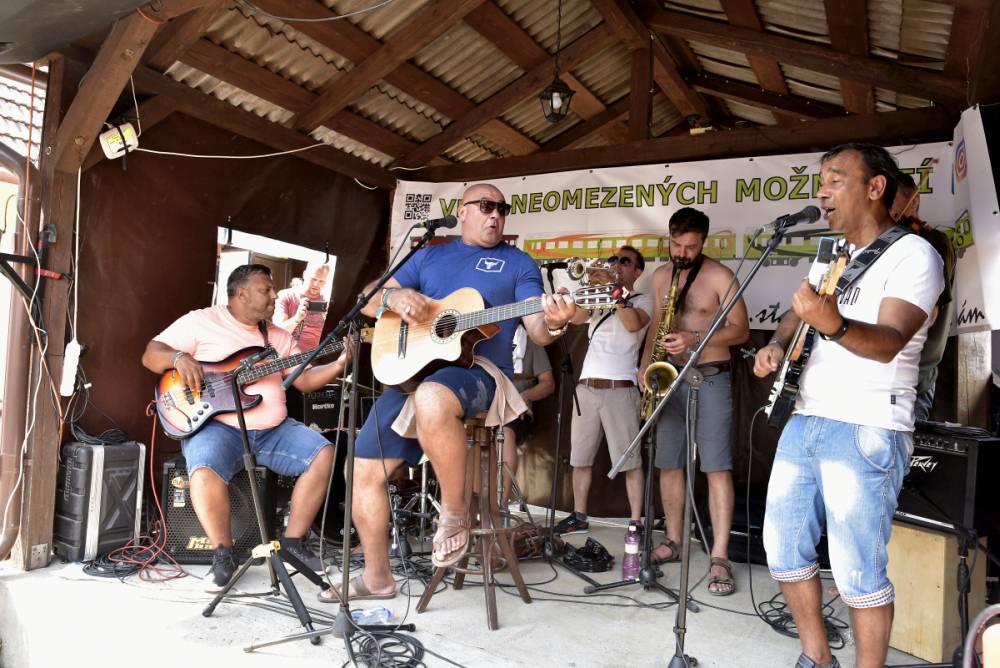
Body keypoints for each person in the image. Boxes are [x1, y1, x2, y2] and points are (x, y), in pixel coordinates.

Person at [318, 183, 576, 602]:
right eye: (486, 207)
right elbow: (367, 300)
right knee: (360, 469)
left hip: (480, 373)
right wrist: (396, 296)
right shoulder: (429, 254)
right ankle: (377, 577)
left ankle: (453, 514)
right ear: (463, 211)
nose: (496, 215)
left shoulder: (518, 263)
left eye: (502, 209)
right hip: (414, 372)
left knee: (433, 397)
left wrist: (560, 321)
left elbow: (538, 331)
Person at [753, 143, 943, 668]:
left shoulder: (913, 255)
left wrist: (828, 320)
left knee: (858, 571)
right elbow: (796, 316)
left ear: (874, 187)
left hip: (867, 427)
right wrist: (776, 345)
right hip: (806, 418)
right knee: (784, 552)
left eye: (836, 180)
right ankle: (817, 659)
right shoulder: (830, 256)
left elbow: (888, 342)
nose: (822, 192)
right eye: (821, 181)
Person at [141, 264, 352, 590]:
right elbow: (151, 354)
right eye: (266, 290)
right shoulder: (202, 321)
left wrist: (339, 363)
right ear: (241, 293)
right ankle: (224, 554)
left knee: (323, 453)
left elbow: (306, 380)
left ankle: (293, 543)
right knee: (203, 470)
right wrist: (178, 357)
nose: (274, 295)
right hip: (219, 428)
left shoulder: (278, 337)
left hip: (273, 430)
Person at [640, 207, 749, 596]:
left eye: (690, 246)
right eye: (676, 244)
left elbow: (740, 331)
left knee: (716, 467)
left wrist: (695, 338)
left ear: (704, 241)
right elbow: (656, 323)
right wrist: (644, 366)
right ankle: (673, 539)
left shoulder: (721, 276)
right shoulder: (660, 276)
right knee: (669, 464)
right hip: (667, 379)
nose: (682, 252)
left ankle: (719, 555)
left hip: (710, 377)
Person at [555, 245, 652, 536]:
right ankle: (579, 516)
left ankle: (636, 521)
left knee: (629, 461)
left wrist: (616, 294)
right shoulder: (599, 297)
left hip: (620, 388)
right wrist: (592, 285)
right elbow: (575, 319)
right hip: (587, 387)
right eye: (613, 260)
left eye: (624, 261)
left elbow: (633, 323)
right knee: (580, 458)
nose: (616, 265)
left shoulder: (643, 299)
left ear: (636, 271)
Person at [891, 171, 956, 422]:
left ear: (914, 201)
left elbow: (928, 305)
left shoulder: (935, 242)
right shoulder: (887, 239)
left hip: (915, 377)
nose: (889, 210)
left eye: (894, 201)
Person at [502, 323, 555, 505]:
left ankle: (500, 503)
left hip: (517, 412)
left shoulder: (532, 340)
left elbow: (548, 383)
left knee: (504, 433)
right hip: (487, 407)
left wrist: (526, 396)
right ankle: (469, 506)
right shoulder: (486, 339)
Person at [273, 261, 332, 351]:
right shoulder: (286, 296)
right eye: (313, 279)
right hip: (289, 357)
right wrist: (297, 318)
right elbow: (277, 334)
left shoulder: (327, 302)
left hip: (316, 358)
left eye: (321, 281)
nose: (316, 284)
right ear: (304, 274)